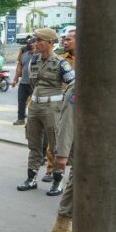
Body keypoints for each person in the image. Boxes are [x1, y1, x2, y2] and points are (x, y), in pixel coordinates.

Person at [16, 28, 74, 193]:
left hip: (52, 109)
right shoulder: (34, 60)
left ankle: (57, 181)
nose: (36, 43)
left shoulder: (61, 63)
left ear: (49, 43)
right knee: (33, 143)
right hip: (35, 106)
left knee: (55, 145)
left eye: (39, 40)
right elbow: (33, 84)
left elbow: (73, 84)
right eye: (35, 40)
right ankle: (31, 178)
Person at [50, 31, 77, 232]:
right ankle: (63, 222)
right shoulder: (80, 84)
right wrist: (62, 152)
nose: (65, 42)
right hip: (82, 143)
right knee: (79, 179)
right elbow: (68, 119)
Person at [11, 39, 36, 125]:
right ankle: (20, 119)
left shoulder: (39, 55)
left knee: (34, 103)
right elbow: (19, 67)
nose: (28, 44)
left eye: (31, 42)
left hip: (34, 84)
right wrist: (15, 79)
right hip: (23, 83)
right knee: (21, 101)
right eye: (28, 43)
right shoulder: (24, 55)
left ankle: (33, 122)